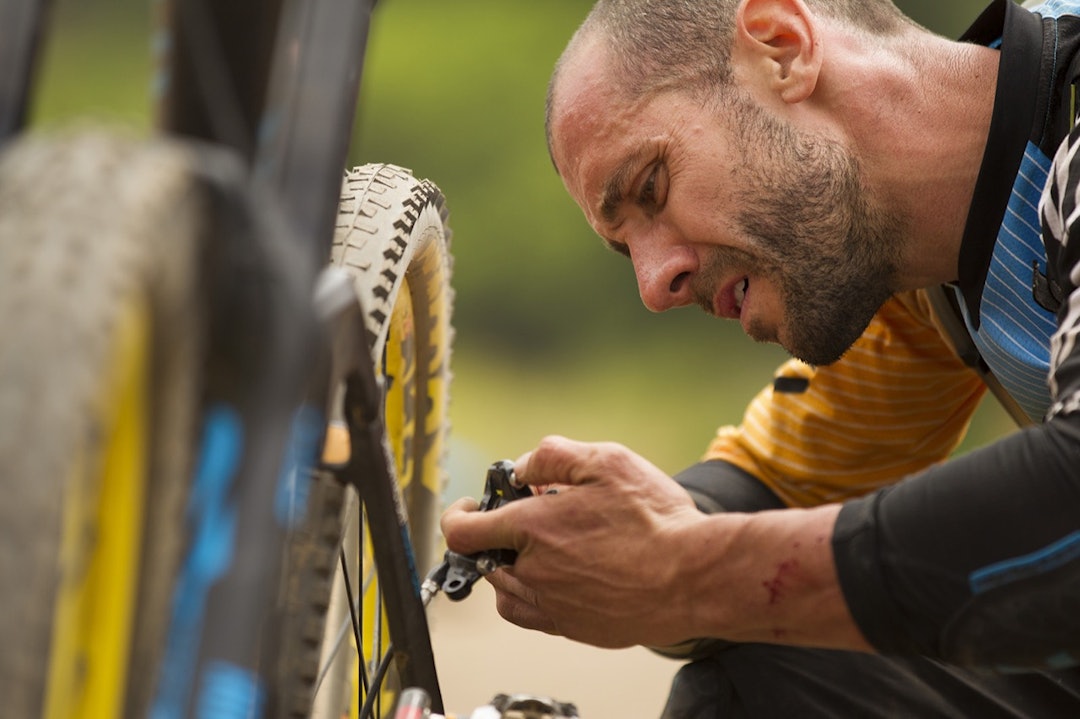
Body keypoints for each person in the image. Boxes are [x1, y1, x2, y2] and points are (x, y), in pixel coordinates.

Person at [442, 0, 1080, 715]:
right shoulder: (912, 277)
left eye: (652, 186)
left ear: (781, 48)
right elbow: (771, 496)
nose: (654, 286)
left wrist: (679, 572)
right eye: (626, 249)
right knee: (752, 674)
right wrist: (600, 532)